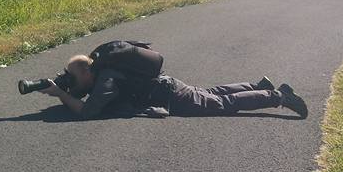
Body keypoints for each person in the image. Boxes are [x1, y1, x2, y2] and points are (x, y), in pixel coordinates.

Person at [40, 53, 309, 119]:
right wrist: (66, 89)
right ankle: (258, 85)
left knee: (220, 105)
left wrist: (61, 94)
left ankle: (278, 96)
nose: (71, 81)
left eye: (73, 76)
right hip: (168, 86)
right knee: (212, 93)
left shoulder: (106, 79)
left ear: (87, 71)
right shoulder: (103, 69)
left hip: (171, 94)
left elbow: (87, 112)